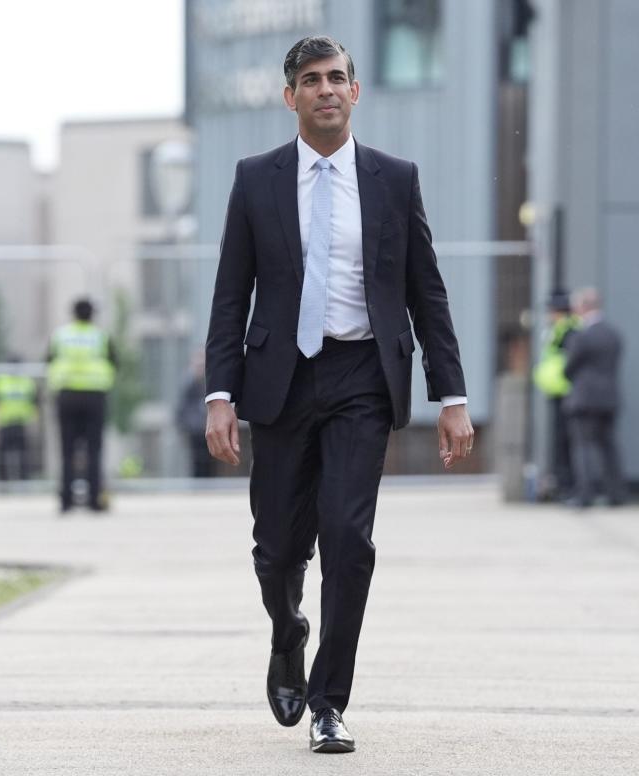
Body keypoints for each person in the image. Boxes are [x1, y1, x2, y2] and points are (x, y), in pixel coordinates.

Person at [204, 35, 473, 754]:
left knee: (349, 541)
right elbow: (231, 295)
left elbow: (426, 292)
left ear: (355, 92)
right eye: (311, 80)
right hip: (280, 382)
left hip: (361, 378)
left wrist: (450, 395)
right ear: (290, 96)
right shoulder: (255, 178)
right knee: (276, 549)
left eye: (337, 78)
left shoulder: (393, 177)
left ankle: (328, 700)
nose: (326, 89)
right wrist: (219, 394)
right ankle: (287, 629)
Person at [47, 298, 116, 513]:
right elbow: (114, 362)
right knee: (94, 450)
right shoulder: (100, 336)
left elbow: (49, 360)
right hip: (94, 396)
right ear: (92, 315)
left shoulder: (61, 335)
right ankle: (95, 500)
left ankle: (66, 501)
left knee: (67, 451)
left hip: (66, 395)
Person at [563, 287, 626, 508]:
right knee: (609, 446)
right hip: (609, 398)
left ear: (582, 307)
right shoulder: (613, 334)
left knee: (583, 446)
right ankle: (616, 494)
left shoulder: (582, 336)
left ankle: (585, 494)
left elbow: (569, 367)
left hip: (584, 399)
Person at [532, 289, 580, 502]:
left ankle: (569, 487)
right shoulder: (558, 329)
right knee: (560, 442)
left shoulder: (569, 330)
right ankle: (564, 485)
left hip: (567, 392)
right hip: (558, 392)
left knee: (566, 443)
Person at [0, 356, 38, 483]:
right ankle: (3, 487)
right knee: (1, 460)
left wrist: (34, 427)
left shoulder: (28, 383)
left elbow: (34, 408)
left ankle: (23, 486)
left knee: (24, 459)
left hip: (22, 424)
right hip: (4, 424)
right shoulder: (0, 382)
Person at [175, 351, 213, 478]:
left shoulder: (209, 383)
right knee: (197, 461)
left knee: (209, 463)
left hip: (208, 426)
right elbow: (183, 407)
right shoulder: (189, 384)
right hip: (195, 430)